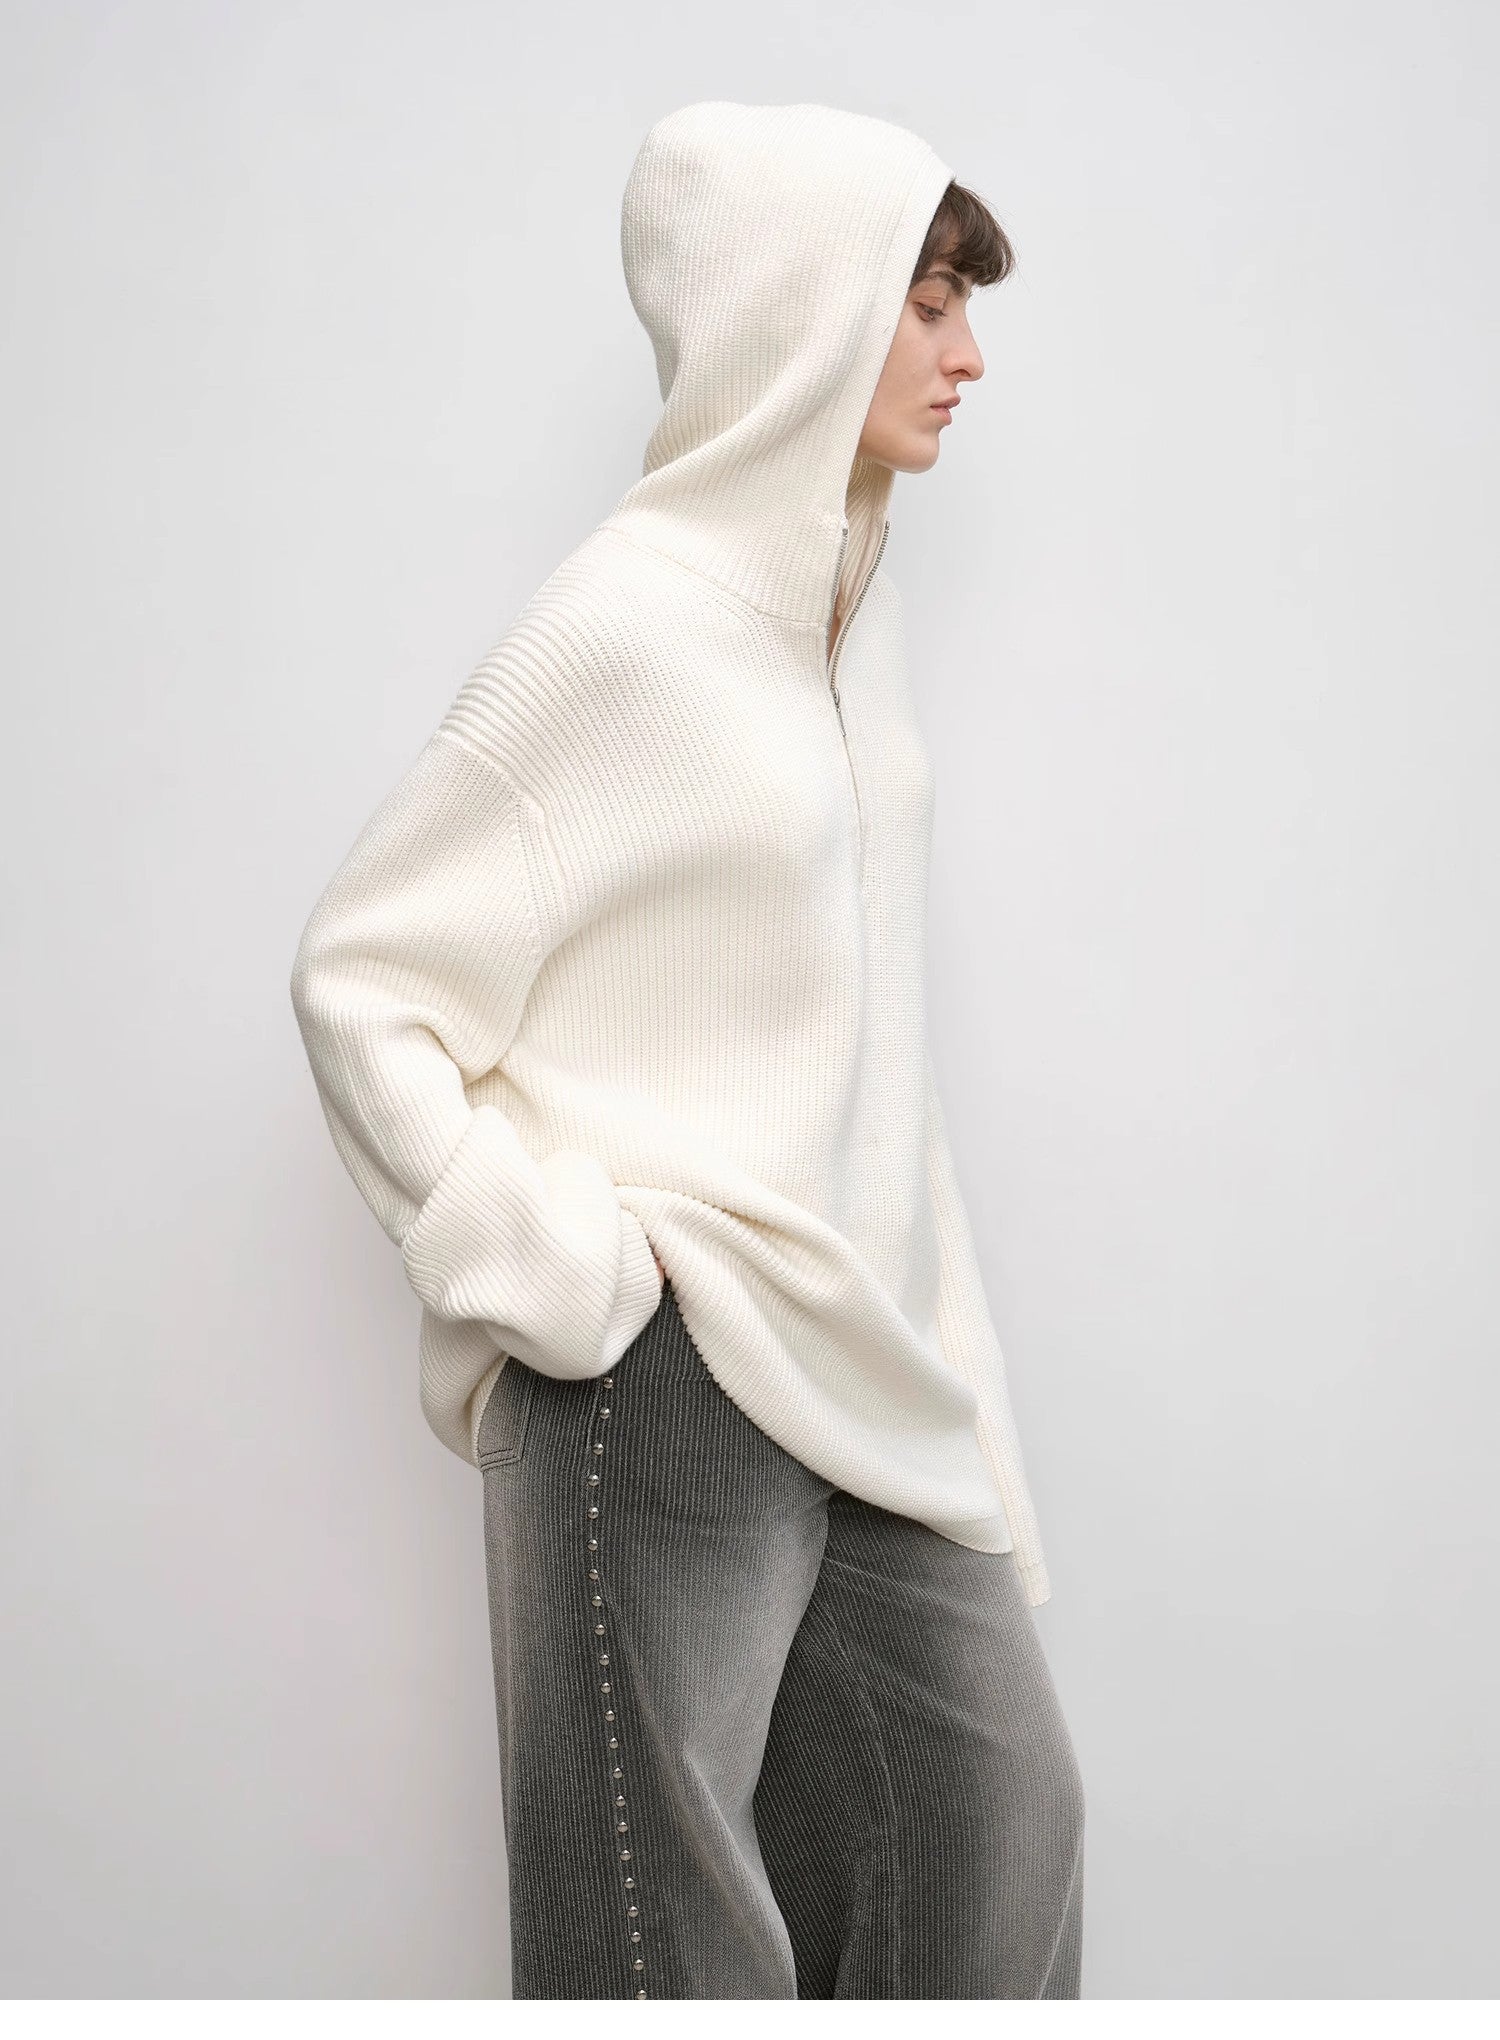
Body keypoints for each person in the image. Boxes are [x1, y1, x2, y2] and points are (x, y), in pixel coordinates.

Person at [289, 97, 1084, 2002]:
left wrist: (971, 1428)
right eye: (929, 302)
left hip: (854, 1362)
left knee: (996, 1831)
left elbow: (883, 1084)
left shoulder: (846, 630)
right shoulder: (626, 629)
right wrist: (559, 1274)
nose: (970, 353)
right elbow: (364, 977)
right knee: (659, 1956)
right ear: (806, 312)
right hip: (653, 1379)